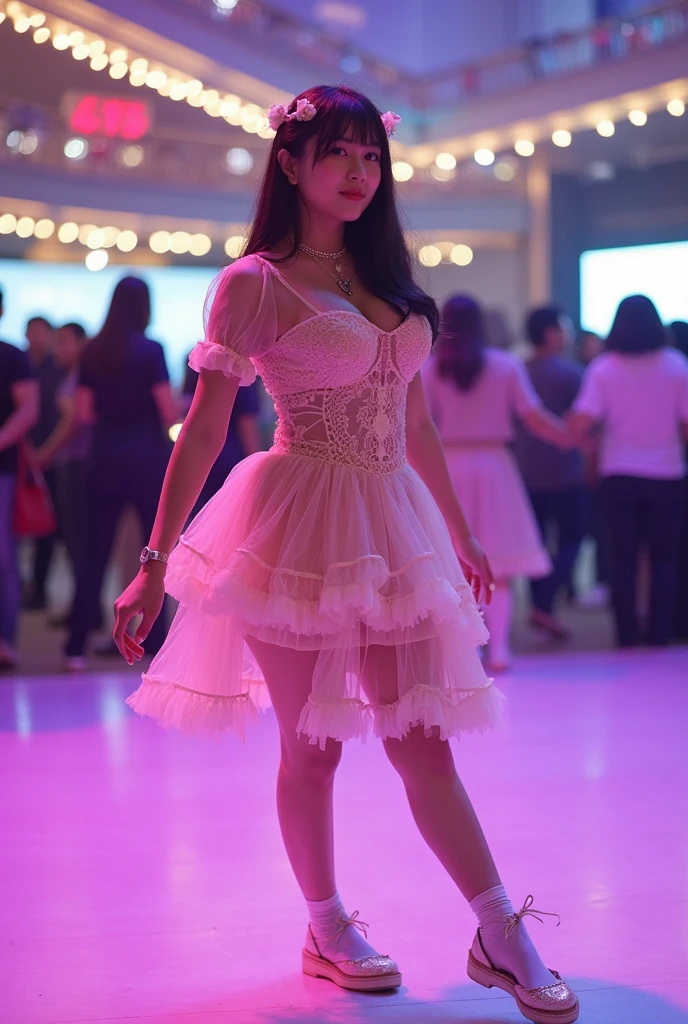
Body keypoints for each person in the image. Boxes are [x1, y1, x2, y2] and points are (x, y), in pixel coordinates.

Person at [114, 87, 579, 1023]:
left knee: (423, 741)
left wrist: (461, 529)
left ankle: (501, 931)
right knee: (313, 748)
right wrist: (156, 561)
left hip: (393, 522)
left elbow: (414, 420)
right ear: (291, 162)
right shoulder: (253, 282)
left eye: (371, 156)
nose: (359, 173)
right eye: (339, 154)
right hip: (293, 521)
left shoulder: (395, 280)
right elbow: (203, 433)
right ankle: (326, 926)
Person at [422, 295, 572, 671]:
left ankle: (467, 651)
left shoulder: (430, 368)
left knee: (454, 564)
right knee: (499, 564)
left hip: (448, 467)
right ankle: (500, 649)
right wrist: (568, 437)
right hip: (495, 467)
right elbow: (534, 417)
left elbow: (417, 427)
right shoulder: (506, 366)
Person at [64, 278, 178, 669]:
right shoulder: (152, 351)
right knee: (155, 557)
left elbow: (82, 414)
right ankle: (154, 642)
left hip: (104, 458)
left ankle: (75, 646)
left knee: (93, 556)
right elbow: (167, 412)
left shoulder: (93, 350)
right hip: (146, 459)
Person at [570, 295, 688, 647]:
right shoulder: (675, 365)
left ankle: (626, 635)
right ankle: (659, 634)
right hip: (667, 473)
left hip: (618, 472)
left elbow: (581, 422)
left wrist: (570, 438)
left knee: (622, 557)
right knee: (665, 558)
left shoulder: (604, 368)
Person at [514, 306, 585, 639]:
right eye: (564, 328)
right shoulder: (572, 374)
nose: (568, 334)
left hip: (525, 473)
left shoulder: (519, 370)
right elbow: (587, 424)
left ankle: (541, 604)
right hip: (567, 472)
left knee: (535, 542)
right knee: (573, 537)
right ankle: (544, 602)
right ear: (551, 333)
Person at [32, 323, 91, 626]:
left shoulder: (82, 374)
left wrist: (45, 454)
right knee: (76, 541)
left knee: (78, 541)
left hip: (79, 464)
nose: (59, 348)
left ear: (82, 342)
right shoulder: (75, 374)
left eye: (65, 341)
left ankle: (84, 613)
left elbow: (74, 421)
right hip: (76, 463)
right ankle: (83, 610)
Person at [0, 287, 39, 668]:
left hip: (4, 471)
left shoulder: (11, 356)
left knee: (4, 556)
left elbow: (28, 410)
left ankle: (5, 641)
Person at [180, 350, 262, 520]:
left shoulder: (201, 356)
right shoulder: (244, 365)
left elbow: (187, 407)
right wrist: (255, 466)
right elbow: (246, 423)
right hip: (231, 454)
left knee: (198, 519)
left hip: (199, 455)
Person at [23, 315, 64, 611]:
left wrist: (48, 451)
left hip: (52, 456)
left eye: (41, 332)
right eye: (31, 332)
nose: (35, 337)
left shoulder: (58, 369)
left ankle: (39, 587)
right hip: (20, 454)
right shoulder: (20, 363)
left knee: (48, 527)